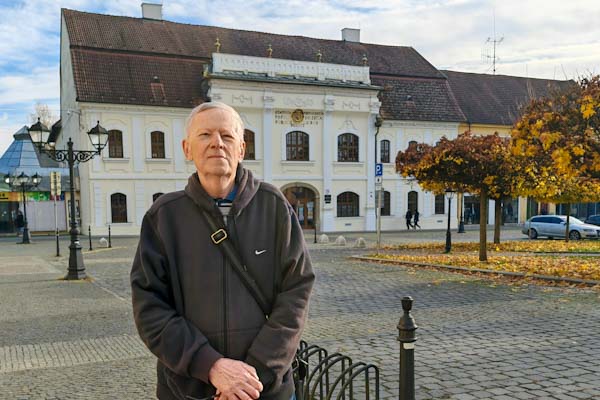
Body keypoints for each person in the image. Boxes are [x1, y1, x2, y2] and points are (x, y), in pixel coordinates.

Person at [131, 102, 315, 400]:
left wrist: (251, 377)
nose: (217, 143)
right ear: (187, 148)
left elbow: (296, 292)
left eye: (227, 136)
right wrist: (212, 367)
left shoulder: (273, 206)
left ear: (241, 148)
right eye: (205, 135)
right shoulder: (164, 216)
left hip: (265, 390)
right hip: (189, 390)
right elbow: (150, 308)